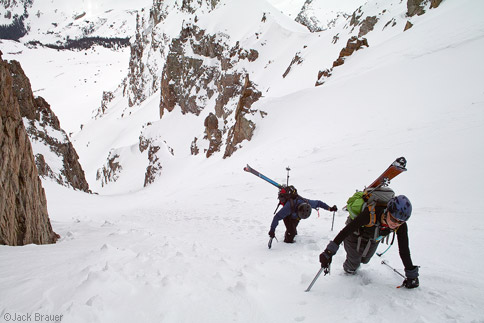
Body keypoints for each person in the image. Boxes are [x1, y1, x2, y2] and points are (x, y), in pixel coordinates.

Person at [319, 194, 419, 288]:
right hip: (353, 236)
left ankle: (355, 263)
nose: (396, 224)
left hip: (373, 239)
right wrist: (329, 252)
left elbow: (404, 249)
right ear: (388, 211)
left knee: (365, 260)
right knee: (353, 264)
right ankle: (348, 273)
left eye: (400, 222)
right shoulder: (371, 214)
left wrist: (411, 274)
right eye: (393, 219)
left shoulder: (401, 226)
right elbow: (346, 231)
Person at [268, 186, 337, 243]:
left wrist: (330, 208)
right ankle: (288, 240)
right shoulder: (288, 207)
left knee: (293, 229)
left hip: (295, 217)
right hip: (288, 216)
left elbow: (319, 203)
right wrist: (272, 230)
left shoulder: (306, 202)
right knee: (290, 236)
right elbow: (276, 217)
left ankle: (292, 230)